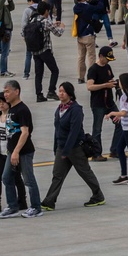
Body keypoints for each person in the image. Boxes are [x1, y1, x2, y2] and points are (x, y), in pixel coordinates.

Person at [39, 82, 105, 210]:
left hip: (75, 148)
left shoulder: (76, 109)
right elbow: (57, 129)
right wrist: (56, 147)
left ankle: (98, 196)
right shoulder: (59, 109)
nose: (61, 93)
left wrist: (66, 150)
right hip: (62, 147)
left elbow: (74, 132)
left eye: (63, 91)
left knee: (85, 173)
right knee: (57, 175)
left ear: (70, 93)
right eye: (59, 91)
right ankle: (49, 201)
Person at [0, 80, 43, 218]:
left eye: (7, 91)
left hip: (24, 152)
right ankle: (12, 206)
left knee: (28, 179)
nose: (5, 94)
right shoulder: (11, 109)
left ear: (16, 92)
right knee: (6, 177)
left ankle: (36, 207)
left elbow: (25, 132)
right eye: (4, 91)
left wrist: (16, 151)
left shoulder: (22, 110)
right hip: (12, 151)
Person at [86, 46, 118, 162]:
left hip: (109, 102)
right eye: (106, 58)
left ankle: (115, 149)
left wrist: (113, 83)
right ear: (100, 56)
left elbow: (111, 79)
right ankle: (96, 153)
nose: (108, 61)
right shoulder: (93, 69)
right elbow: (89, 86)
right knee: (97, 129)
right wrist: (105, 85)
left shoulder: (108, 67)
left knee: (120, 122)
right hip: (98, 103)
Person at [27, 1, 63, 102]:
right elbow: (58, 33)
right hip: (45, 50)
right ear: (46, 11)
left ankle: (39, 95)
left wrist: (53, 24)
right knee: (55, 70)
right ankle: (51, 90)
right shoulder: (45, 21)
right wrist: (62, 27)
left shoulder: (33, 19)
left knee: (39, 73)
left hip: (35, 51)